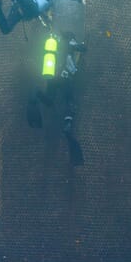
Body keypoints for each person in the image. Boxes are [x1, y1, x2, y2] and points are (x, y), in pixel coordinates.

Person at [27, 31, 86, 166]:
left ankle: (36, 93)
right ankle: (68, 123)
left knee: (49, 100)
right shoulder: (70, 41)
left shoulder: (54, 45)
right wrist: (82, 46)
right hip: (65, 78)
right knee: (69, 101)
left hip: (53, 78)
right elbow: (82, 48)